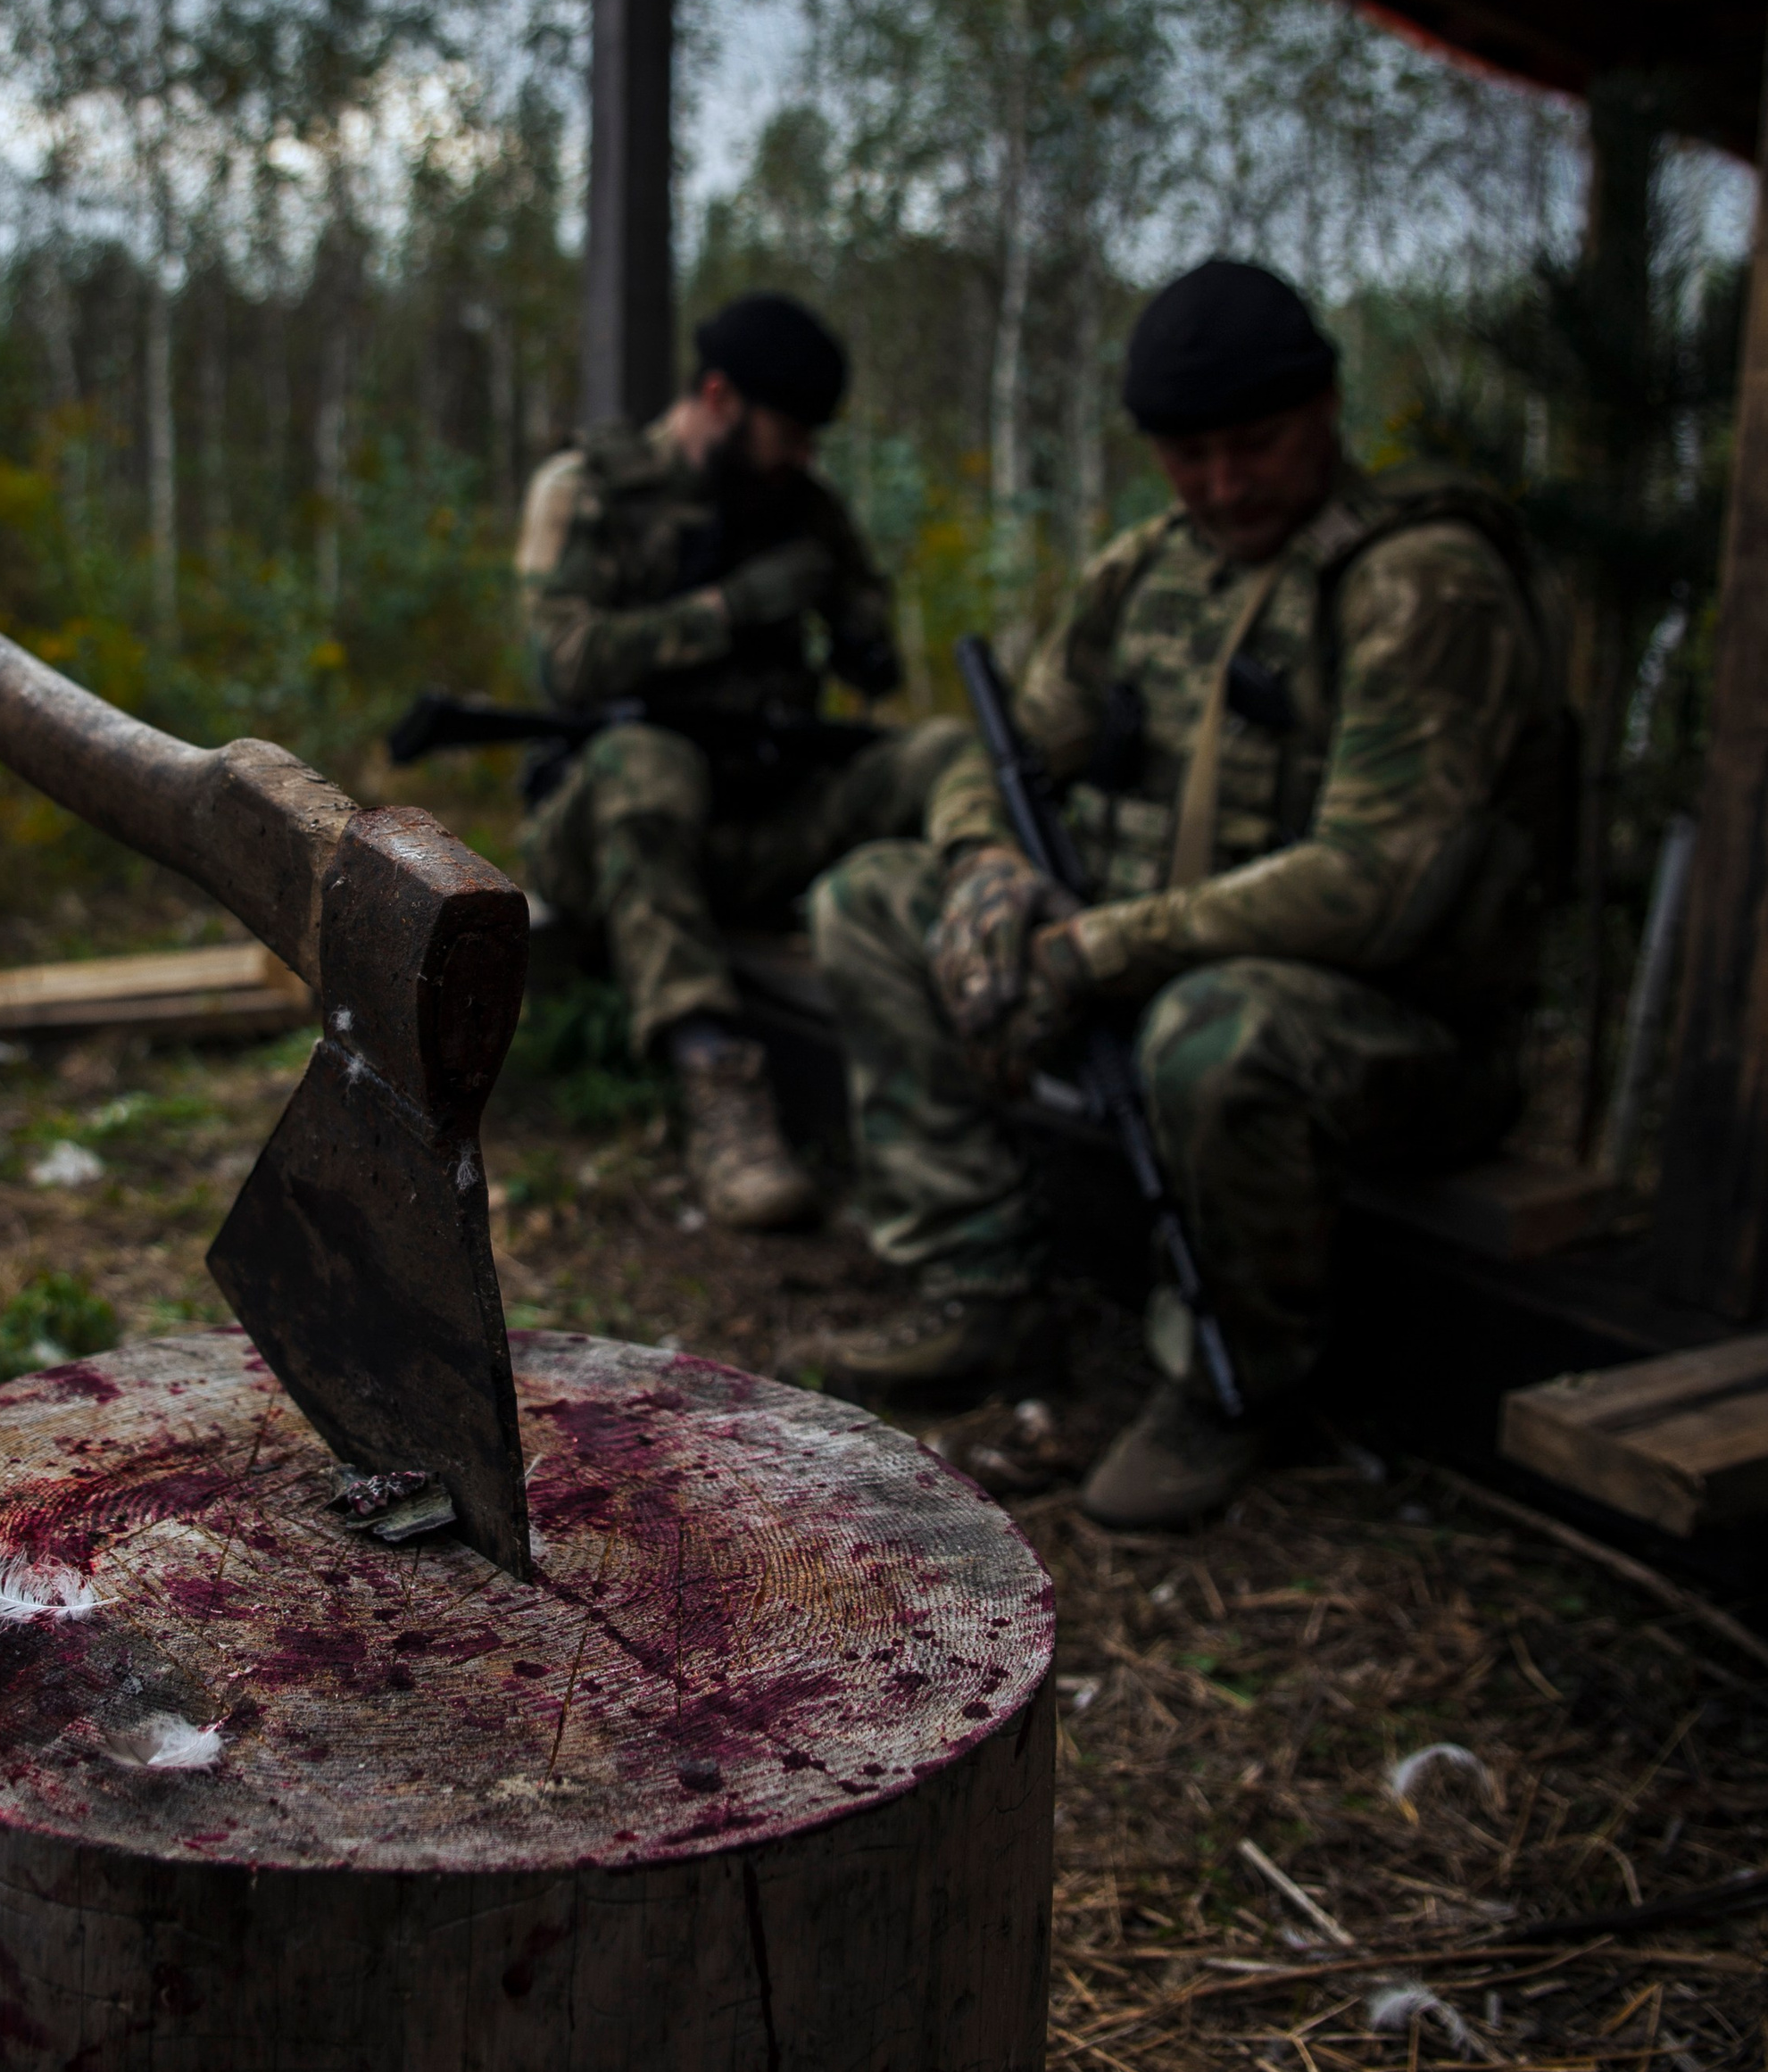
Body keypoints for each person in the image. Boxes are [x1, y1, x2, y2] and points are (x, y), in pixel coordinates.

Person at [807, 256, 1569, 1527]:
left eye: (1255, 446)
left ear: (1328, 409)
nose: (1223, 485)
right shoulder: (1149, 570)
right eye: (1188, 455)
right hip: (1152, 969)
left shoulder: (1421, 587)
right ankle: (980, 1284)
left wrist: (1099, 947)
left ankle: (1235, 1385)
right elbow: (993, 756)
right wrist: (984, 868)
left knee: (1216, 1030)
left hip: (1401, 1031)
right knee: (871, 900)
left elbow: (1372, 888)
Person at [518, 291, 966, 1228]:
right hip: (609, 834)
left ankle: (998, 971)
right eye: (789, 432)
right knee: (644, 760)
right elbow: (568, 664)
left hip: (762, 820)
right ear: (719, 398)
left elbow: (869, 641)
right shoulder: (587, 491)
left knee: (945, 757)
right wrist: (729, 611)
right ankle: (717, 1088)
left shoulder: (799, 507)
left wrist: (856, 630)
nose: (803, 456)